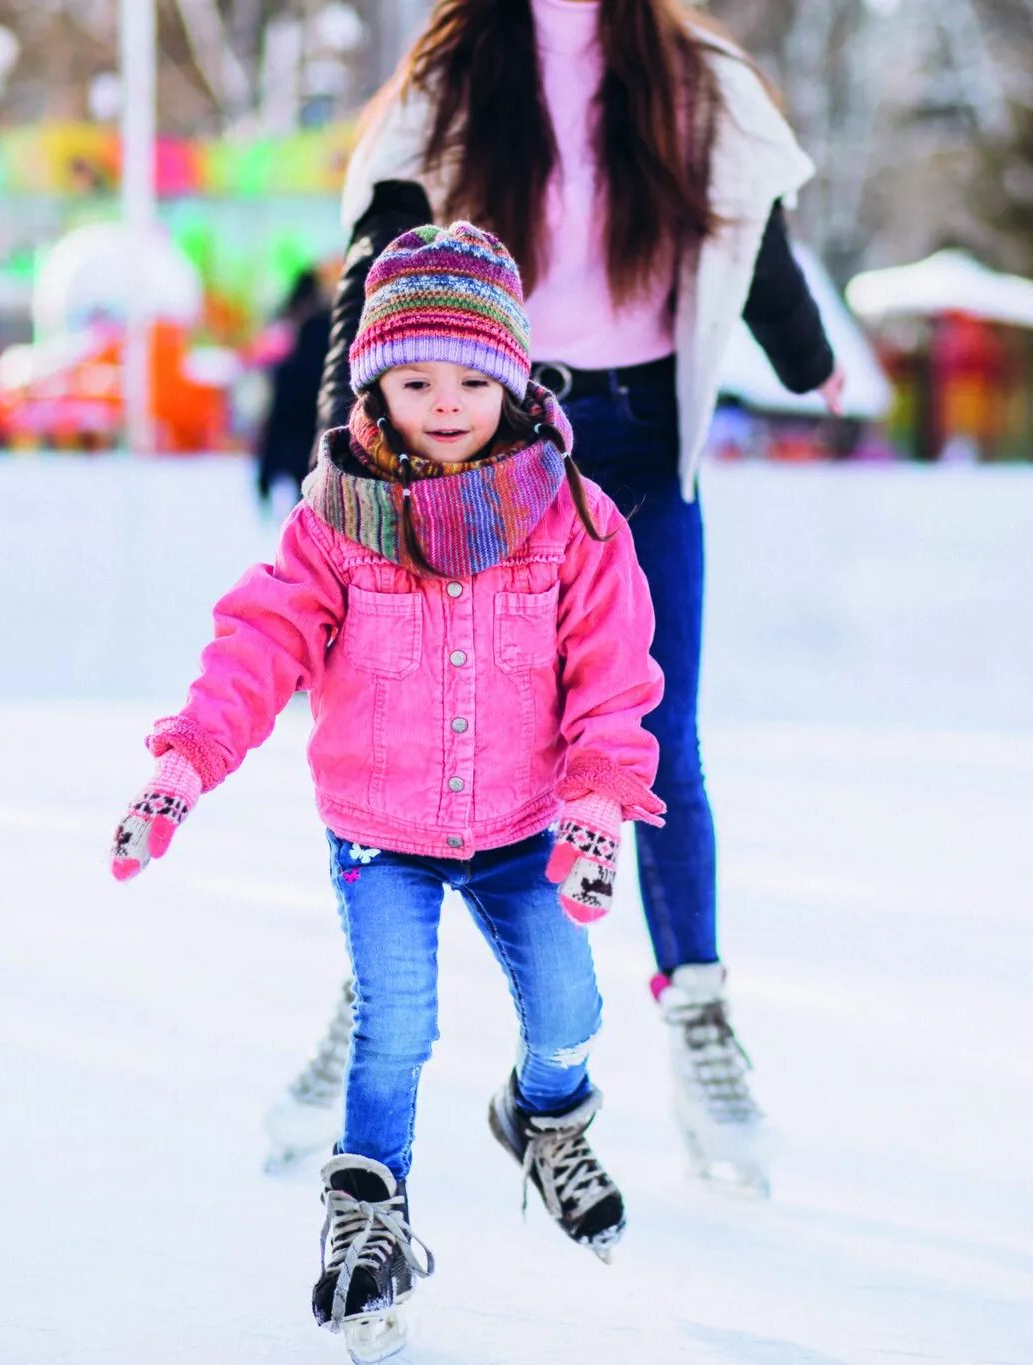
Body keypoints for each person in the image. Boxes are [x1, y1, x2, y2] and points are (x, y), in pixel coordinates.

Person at [264, 0, 844, 1193]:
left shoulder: (692, 73)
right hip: (475, 443)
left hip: (632, 437)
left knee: (656, 734)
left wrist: (807, 359)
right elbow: (376, 266)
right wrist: (342, 441)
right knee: (427, 734)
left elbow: (754, 229)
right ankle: (368, 998)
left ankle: (697, 1016)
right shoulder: (452, 72)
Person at [112, 224, 665, 1359]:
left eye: (471, 378)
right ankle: (368, 1219)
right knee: (394, 1026)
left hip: (526, 828)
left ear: (511, 382)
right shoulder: (333, 524)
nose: (446, 401)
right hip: (382, 833)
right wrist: (184, 765)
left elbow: (612, 672)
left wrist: (600, 797)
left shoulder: (571, 519)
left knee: (571, 1012)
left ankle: (544, 1118)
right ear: (373, 382)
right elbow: (257, 647)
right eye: (415, 379)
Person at [255, 269, 333, 512]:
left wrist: (264, 477)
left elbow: (277, 421)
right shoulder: (333, 371)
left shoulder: (289, 369)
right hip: (320, 453)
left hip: (294, 450)